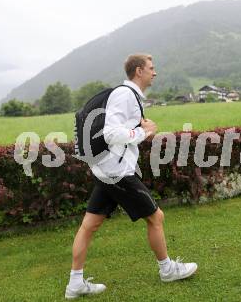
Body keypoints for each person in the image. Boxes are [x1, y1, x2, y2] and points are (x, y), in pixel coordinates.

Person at [65, 54, 198, 299]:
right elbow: (111, 133)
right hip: (117, 172)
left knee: (89, 225)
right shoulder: (125, 95)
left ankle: (75, 284)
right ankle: (167, 269)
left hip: (106, 170)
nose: (154, 73)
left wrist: (140, 129)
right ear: (138, 71)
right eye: (151, 68)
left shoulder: (130, 96)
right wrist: (143, 132)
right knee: (156, 217)